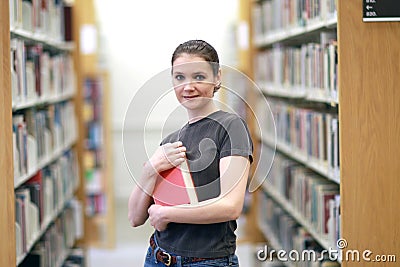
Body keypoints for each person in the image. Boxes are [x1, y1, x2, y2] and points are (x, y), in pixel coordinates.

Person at [128, 39, 253, 267]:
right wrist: (150, 168)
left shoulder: (231, 127)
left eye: (199, 76)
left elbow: (230, 206)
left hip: (205, 261)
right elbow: (135, 217)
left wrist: (167, 214)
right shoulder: (170, 141)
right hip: (157, 257)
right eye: (180, 77)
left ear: (217, 78)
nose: (188, 86)